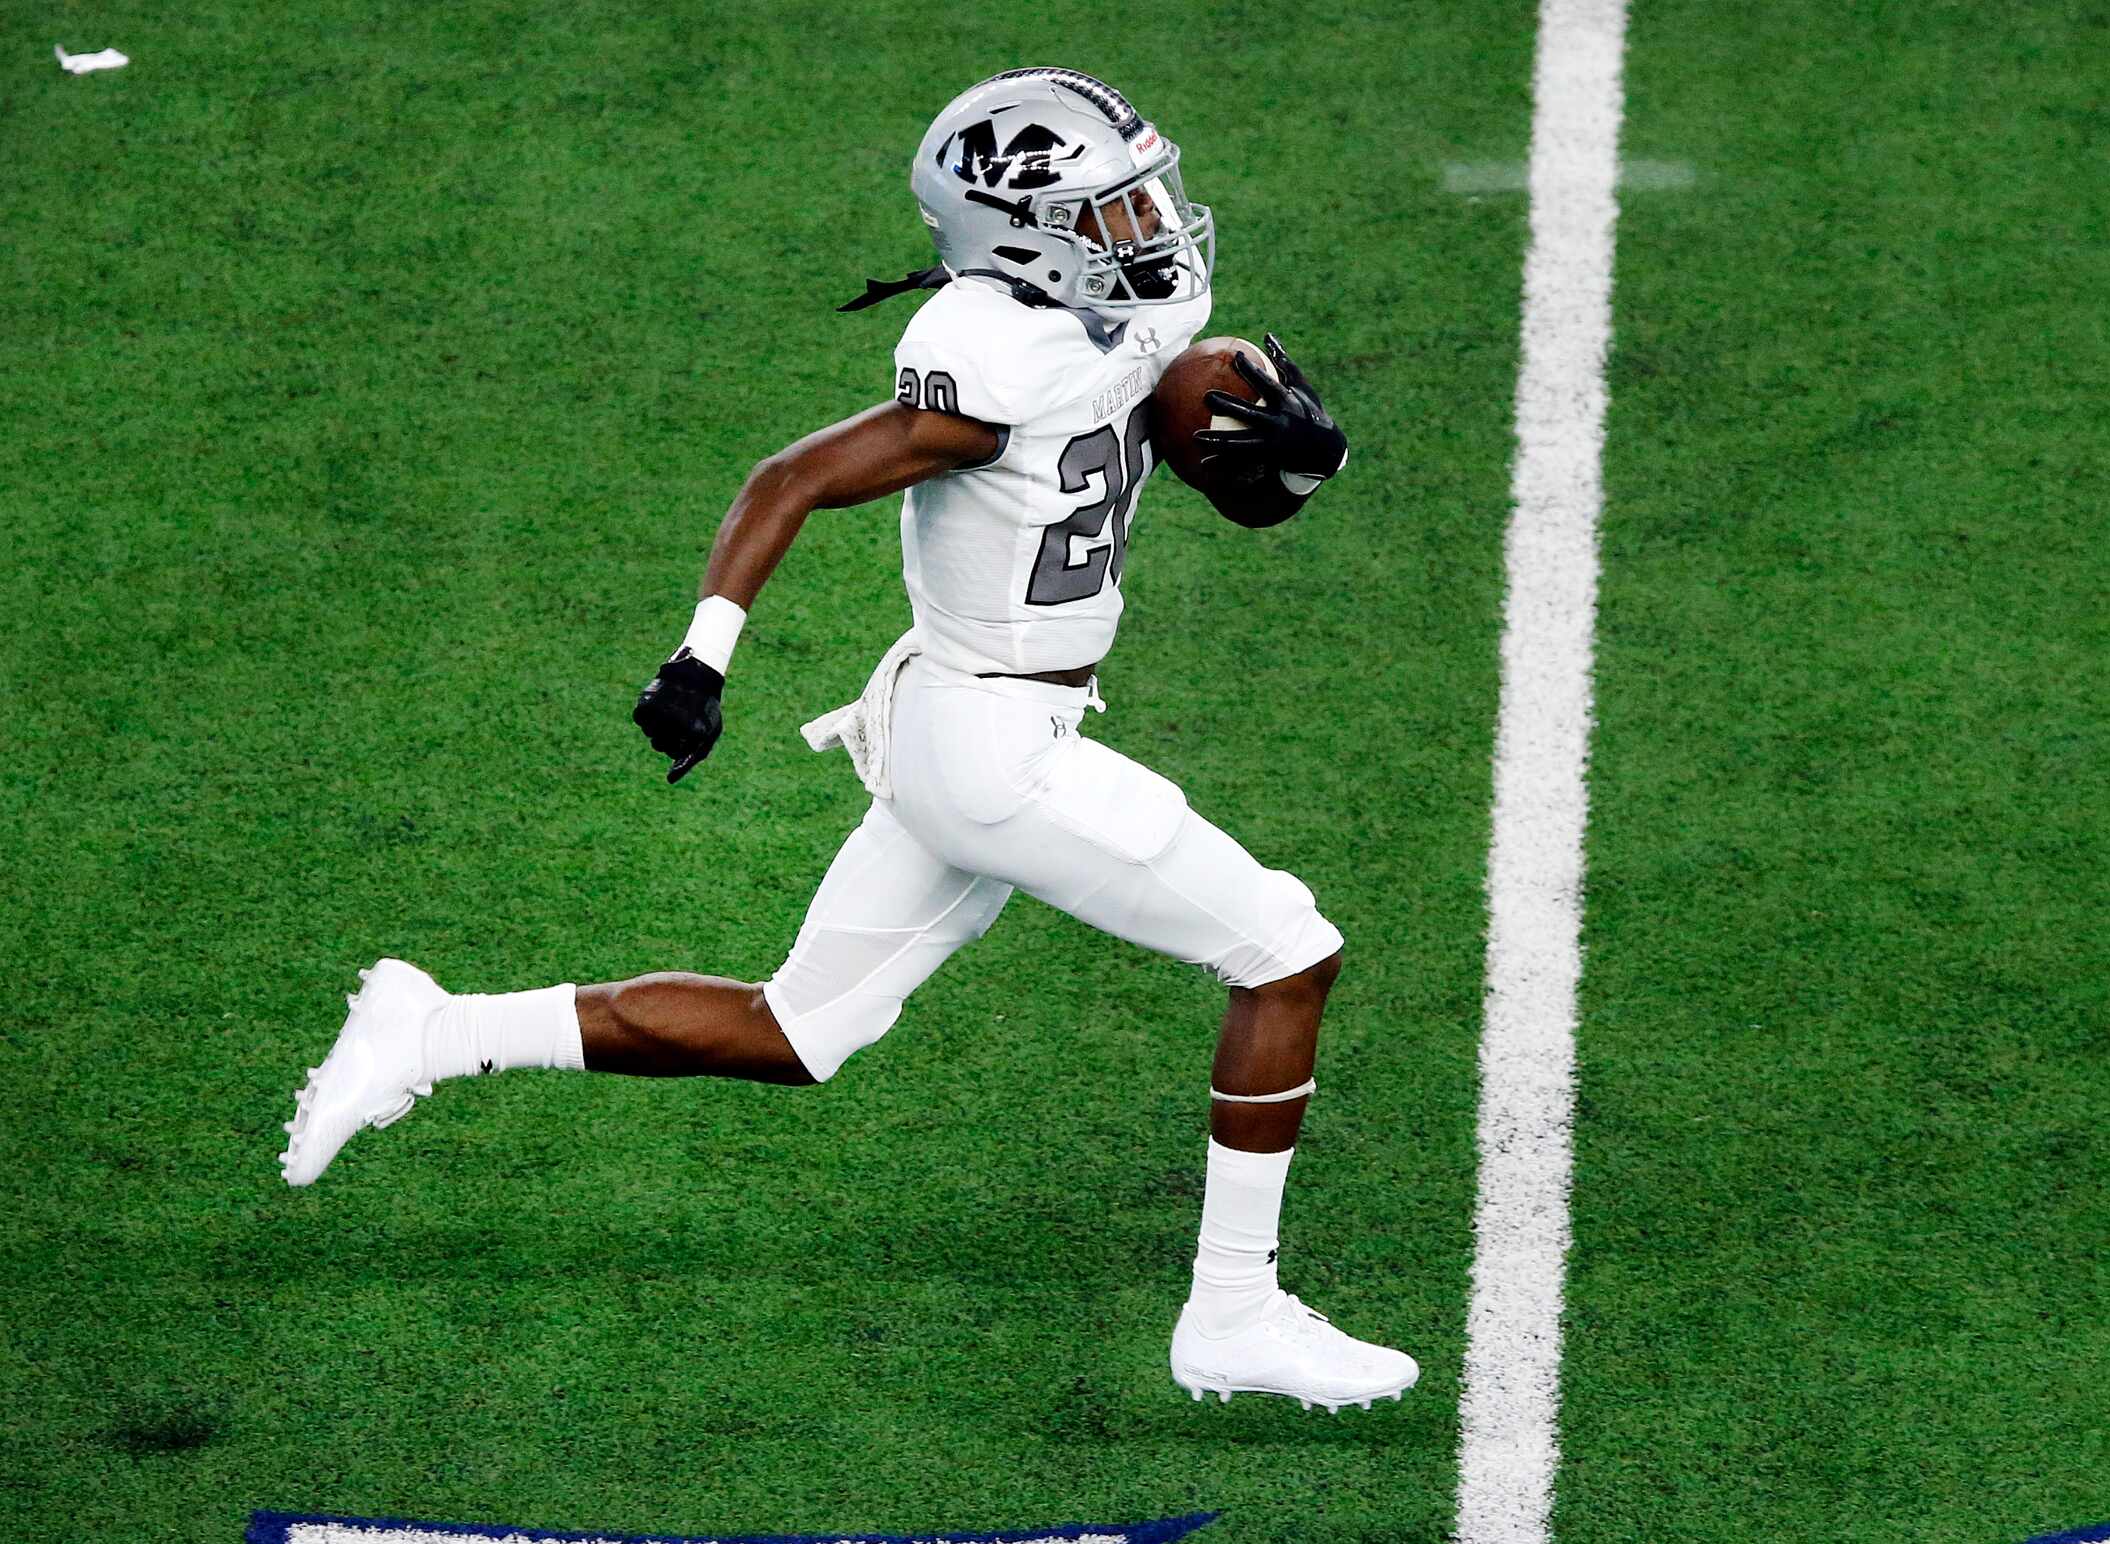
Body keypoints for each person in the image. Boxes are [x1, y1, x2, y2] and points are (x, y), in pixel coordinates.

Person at [280, 67, 1417, 1414]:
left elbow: (1154, 406)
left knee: (795, 1028)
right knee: (1287, 952)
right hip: (994, 746)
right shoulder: (979, 363)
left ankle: (430, 1026)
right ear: (1020, 237)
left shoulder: (1135, 304)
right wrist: (703, 656)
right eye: (1112, 212)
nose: (1151, 228)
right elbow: (793, 478)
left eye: (1141, 197)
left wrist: (1263, 439)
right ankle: (1232, 1312)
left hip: (981, 726)